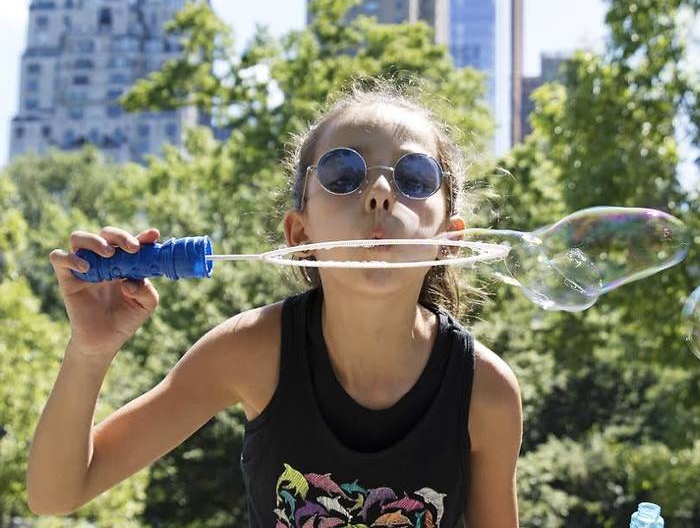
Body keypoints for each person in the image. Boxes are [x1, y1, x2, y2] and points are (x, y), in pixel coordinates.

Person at [28, 83, 523, 527]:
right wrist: (91, 350)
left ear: (451, 240)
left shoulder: (484, 390)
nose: (379, 193)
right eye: (343, 172)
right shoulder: (251, 351)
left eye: (415, 177)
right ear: (300, 235)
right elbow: (56, 493)